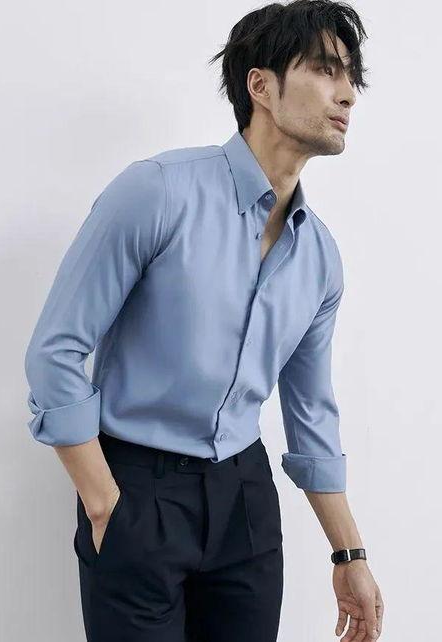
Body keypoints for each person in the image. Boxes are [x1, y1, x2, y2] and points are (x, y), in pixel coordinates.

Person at [24, 1, 384, 640]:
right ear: (260, 86)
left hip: (245, 500)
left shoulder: (320, 257)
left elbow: (311, 413)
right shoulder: (157, 192)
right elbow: (56, 351)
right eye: (325, 70)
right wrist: (104, 503)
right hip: (137, 487)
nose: (347, 93)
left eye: (351, 76)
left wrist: (348, 552)